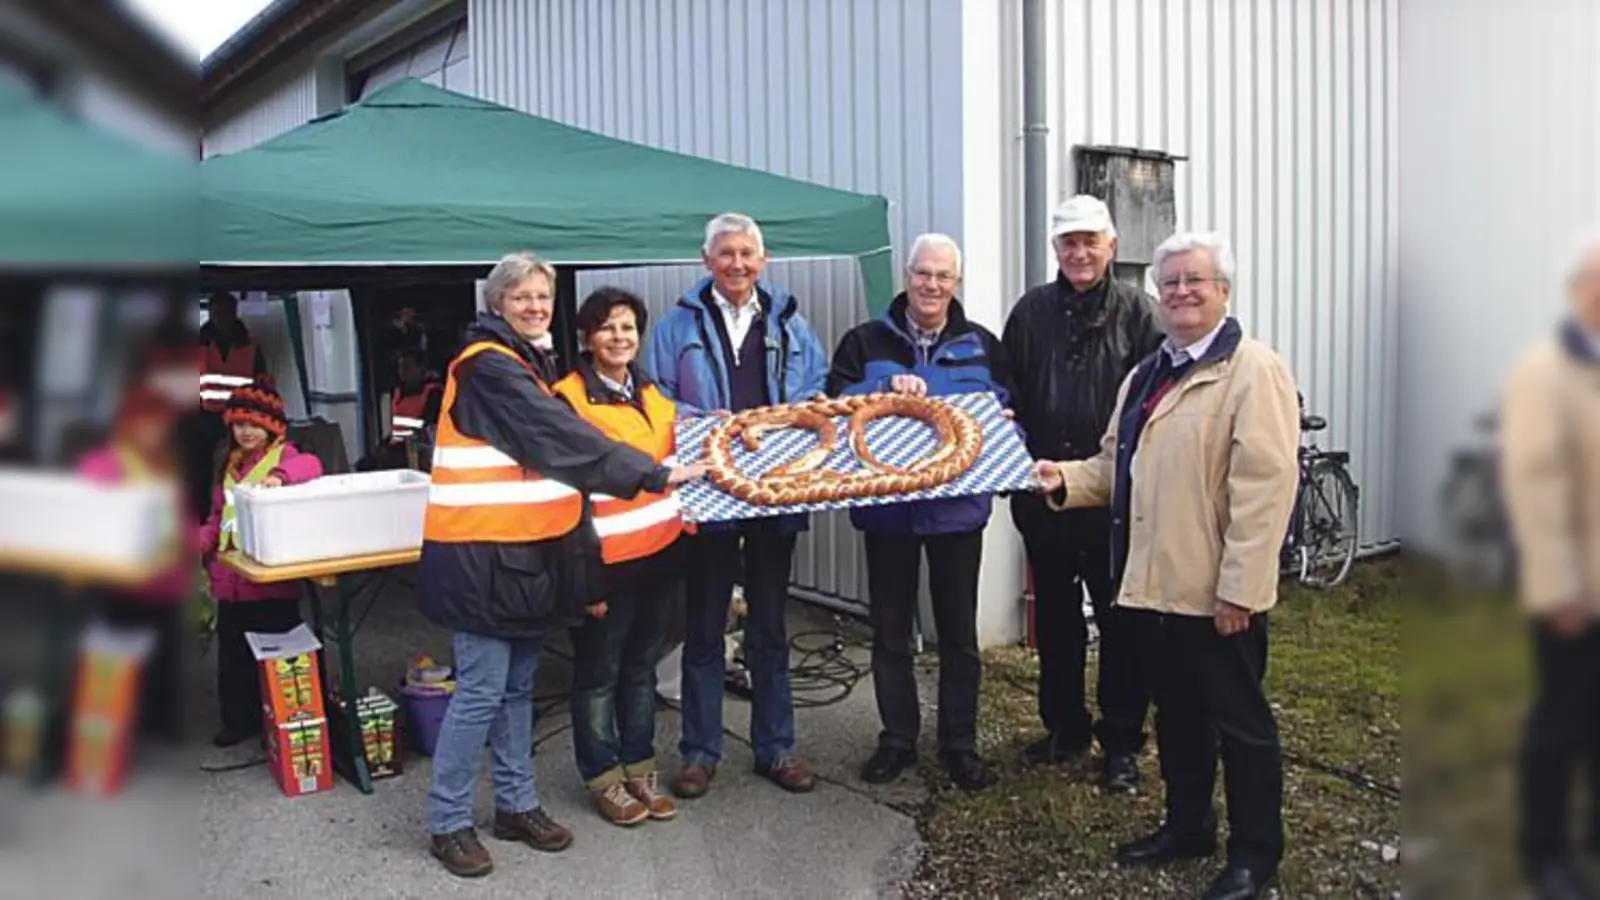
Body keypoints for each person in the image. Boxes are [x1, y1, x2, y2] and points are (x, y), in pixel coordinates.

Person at [417, 253, 703, 878]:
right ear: (497, 303)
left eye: (542, 296)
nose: (535, 306)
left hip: (525, 558)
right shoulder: (488, 366)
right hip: (480, 559)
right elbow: (557, 435)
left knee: (517, 690)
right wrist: (649, 474)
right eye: (521, 296)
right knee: (480, 694)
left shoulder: (528, 362)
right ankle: (448, 822)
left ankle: (517, 804)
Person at [1033, 232, 1299, 900]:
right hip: (1152, 589)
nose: (1181, 292)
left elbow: (1265, 491)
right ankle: (1188, 827)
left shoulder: (1252, 372)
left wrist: (1240, 591)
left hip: (1215, 595)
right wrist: (1062, 477)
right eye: (1170, 282)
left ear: (1223, 291)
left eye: (1195, 280)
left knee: (1240, 725)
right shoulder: (1148, 375)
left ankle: (1255, 855)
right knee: (1179, 718)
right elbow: (1112, 465)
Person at [643, 212, 829, 800]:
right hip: (710, 493)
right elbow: (654, 400)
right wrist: (704, 423)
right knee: (704, 626)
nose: (737, 264)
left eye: (747, 253)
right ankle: (699, 753)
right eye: (726, 253)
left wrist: (791, 418)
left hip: (774, 492)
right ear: (707, 261)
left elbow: (817, 390)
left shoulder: (791, 322)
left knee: (769, 627)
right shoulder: (676, 325)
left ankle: (777, 748)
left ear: (763, 260)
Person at [825, 234, 1012, 792]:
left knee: (958, 635)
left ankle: (960, 745)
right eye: (923, 273)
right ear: (907, 276)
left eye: (943, 276)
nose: (932, 285)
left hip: (957, 513)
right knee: (890, 632)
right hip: (888, 514)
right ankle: (897, 740)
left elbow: (1008, 412)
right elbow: (833, 408)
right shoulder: (864, 341)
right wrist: (884, 386)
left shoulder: (982, 344)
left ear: (957, 282)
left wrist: (1007, 438)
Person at [1003, 194, 1165, 791]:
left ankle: (1121, 741)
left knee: (1123, 626)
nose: (1079, 253)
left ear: (1111, 246)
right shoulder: (1030, 313)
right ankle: (1064, 728)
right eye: (1069, 243)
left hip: (1114, 506)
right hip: (1044, 500)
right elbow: (1007, 394)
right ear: (1055, 249)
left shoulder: (1142, 315)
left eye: (1090, 242)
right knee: (1056, 622)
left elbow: (1160, 405)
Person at [552, 288, 687, 827]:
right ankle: (602, 774)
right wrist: (584, 579)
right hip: (604, 566)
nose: (619, 337)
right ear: (588, 337)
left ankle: (640, 766)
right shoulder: (568, 400)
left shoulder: (653, 393)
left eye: (628, 327)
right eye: (607, 327)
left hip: (659, 556)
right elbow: (567, 498)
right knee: (598, 675)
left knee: (640, 669)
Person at [1499, 229, 1600, 900]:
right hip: (1576, 588)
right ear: (1578, 290)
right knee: (1560, 721)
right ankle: (1545, 851)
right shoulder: (1545, 371)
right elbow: (1534, 486)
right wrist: (1559, 586)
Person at [197, 376, 324, 748]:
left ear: (273, 427)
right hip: (230, 583)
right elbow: (217, 518)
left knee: (282, 658)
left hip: (271, 584)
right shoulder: (228, 465)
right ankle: (238, 722)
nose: (246, 431)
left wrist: (280, 478)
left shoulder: (285, 457)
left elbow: (312, 465)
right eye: (238, 424)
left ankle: (291, 720)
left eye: (254, 423)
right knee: (233, 660)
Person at [75, 386, 202, 742]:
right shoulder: (104, 465)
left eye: (161, 425)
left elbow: (179, 517)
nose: (154, 432)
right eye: (147, 424)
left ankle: (162, 722)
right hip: (124, 580)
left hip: (165, 579)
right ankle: (120, 724)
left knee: (165, 657)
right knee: (122, 654)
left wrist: (201, 539)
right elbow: (89, 511)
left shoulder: (166, 464)